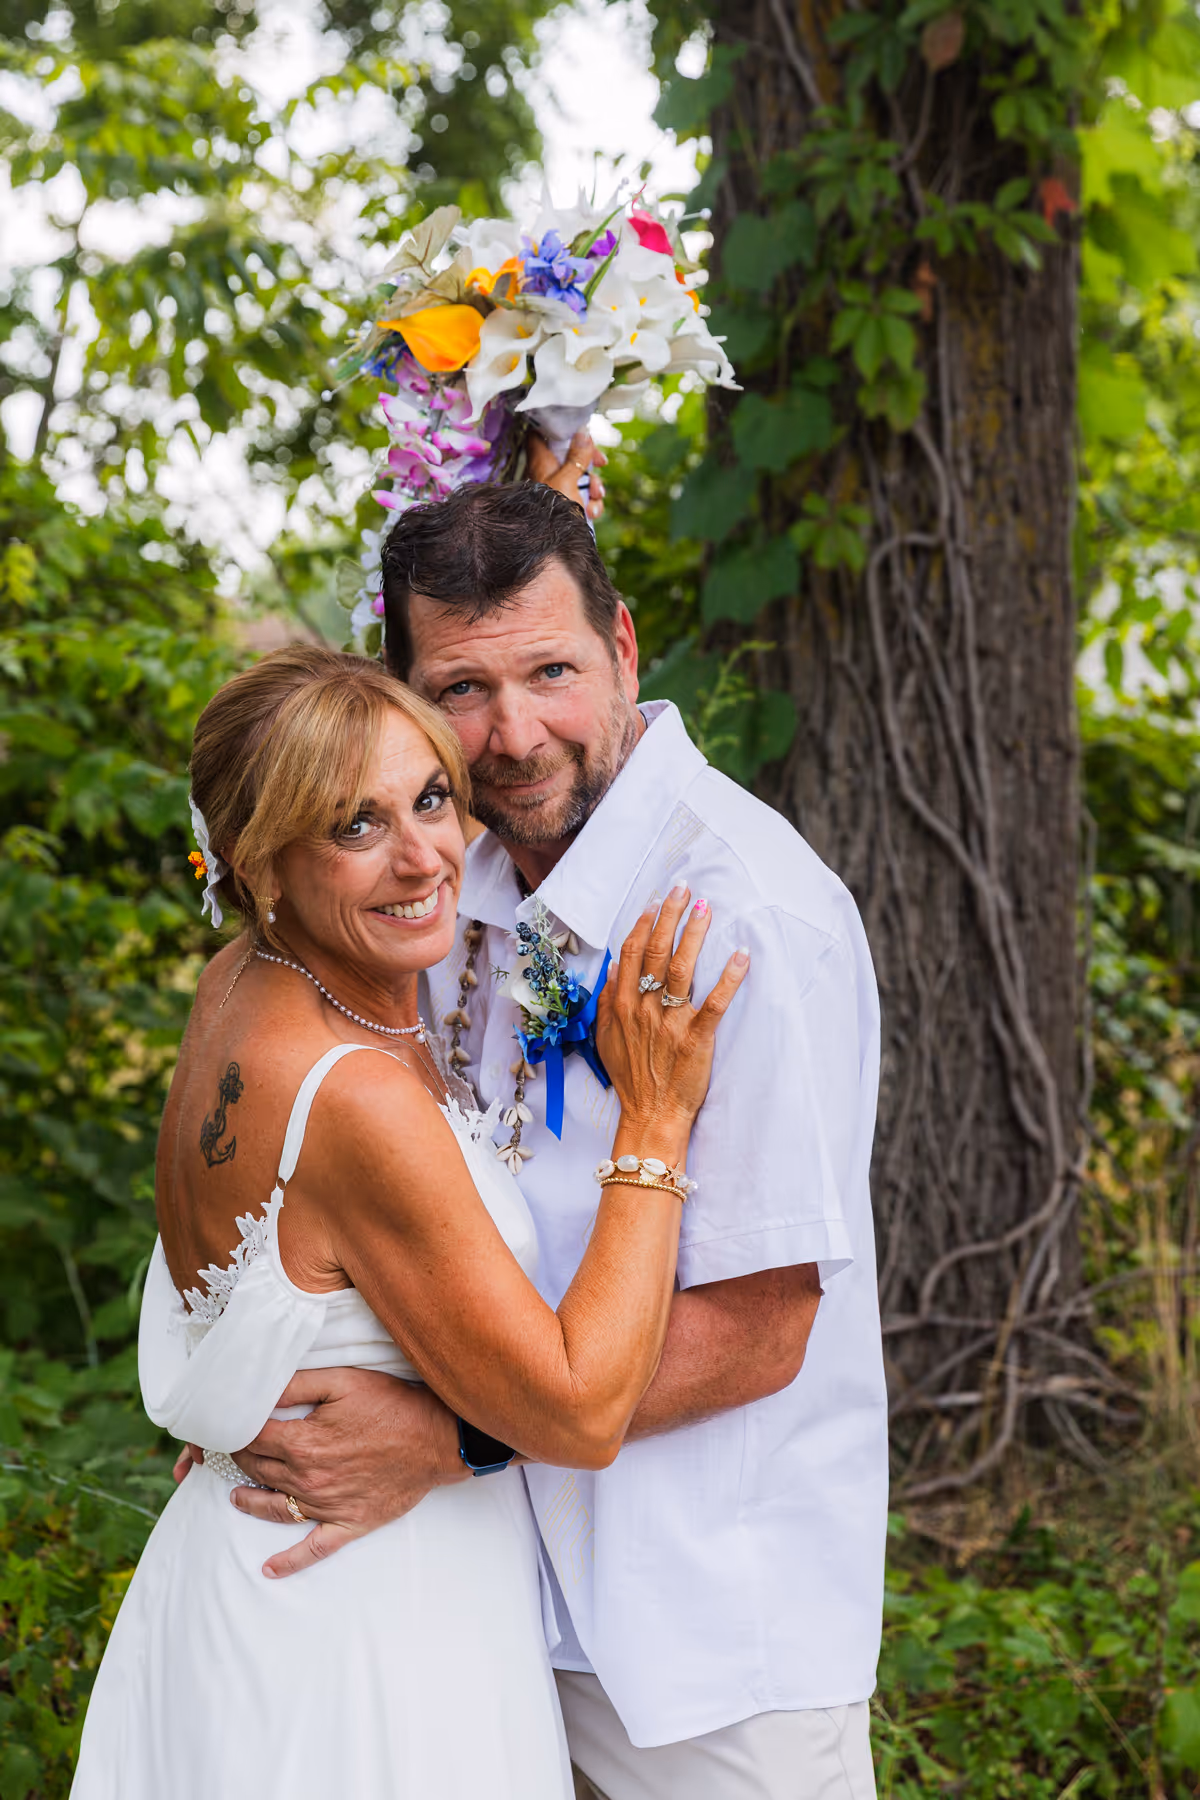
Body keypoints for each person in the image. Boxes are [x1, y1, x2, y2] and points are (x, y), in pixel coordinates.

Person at [230, 477, 888, 1799]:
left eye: (552, 671)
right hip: (478, 1603)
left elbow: (762, 1330)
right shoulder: (439, 883)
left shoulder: (745, 917)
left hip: (702, 1643)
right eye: (463, 690)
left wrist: (440, 1438)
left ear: (626, 648)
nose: (516, 731)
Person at [70, 646, 745, 1800]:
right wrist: (657, 1124)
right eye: (353, 826)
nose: (425, 855)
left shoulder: (237, 983)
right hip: (362, 1626)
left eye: (430, 798)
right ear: (261, 862)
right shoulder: (357, 1100)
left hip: (239, 1573)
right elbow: (579, 1409)